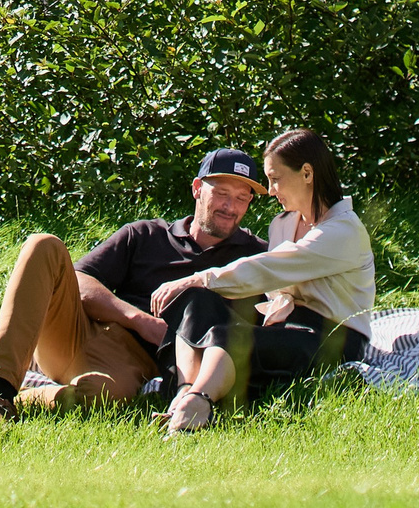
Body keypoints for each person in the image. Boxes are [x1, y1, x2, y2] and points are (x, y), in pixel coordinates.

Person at [0, 147, 271, 420]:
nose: (230, 206)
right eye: (221, 193)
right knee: (43, 245)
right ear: (197, 189)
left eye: (242, 198)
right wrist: (139, 320)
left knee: (99, 397)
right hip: (80, 331)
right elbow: (79, 280)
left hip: (133, 362)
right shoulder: (145, 234)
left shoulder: (259, 257)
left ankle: (28, 397)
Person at [147, 128, 375, 434]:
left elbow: (268, 269)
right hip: (286, 327)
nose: (269, 190)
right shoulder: (283, 224)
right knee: (196, 299)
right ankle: (184, 393)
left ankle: (198, 403)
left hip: (332, 339)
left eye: (275, 178)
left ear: (307, 173)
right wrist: (198, 286)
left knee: (227, 335)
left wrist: (202, 276)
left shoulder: (343, 231)